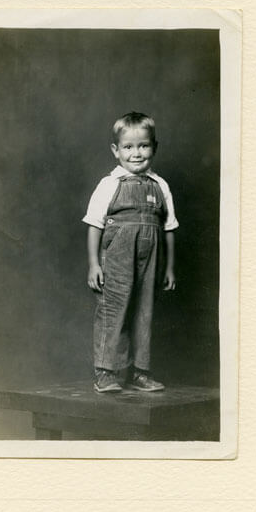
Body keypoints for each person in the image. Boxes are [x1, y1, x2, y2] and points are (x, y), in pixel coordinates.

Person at [83, 112, 178, 394]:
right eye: (128, 147)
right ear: (116, 150)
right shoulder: (109, 184)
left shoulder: (160, 186)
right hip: (117, 256)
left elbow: (170, 228)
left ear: (154, 148)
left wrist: (170, 267)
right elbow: (93, 225)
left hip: (151, 259)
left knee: (144, 312)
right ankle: (105, 371)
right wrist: (93, 265)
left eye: (143, 146)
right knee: (115, 310)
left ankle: (140, 372)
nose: (136, 153)